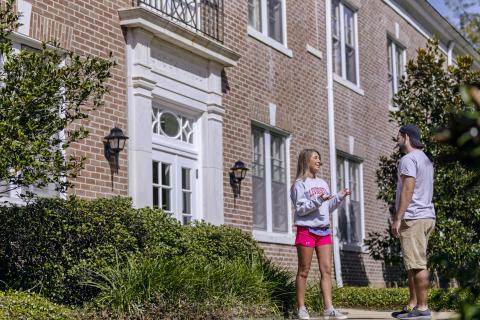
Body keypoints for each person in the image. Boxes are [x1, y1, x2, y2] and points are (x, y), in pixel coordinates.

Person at [290, 149, 351, 320]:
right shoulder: (299, 184)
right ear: (306, 160)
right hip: (307, 230)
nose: (319, 161)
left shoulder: (323, 183)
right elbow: (301, 210)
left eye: (319, 158)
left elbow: (327, 208)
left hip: (324, 230)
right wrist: (318, 200)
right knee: (304, 270)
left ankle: (329, 309)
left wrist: (339, 197)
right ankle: (301, 308)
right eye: (315, 158)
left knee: (326, 270)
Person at [391, 125, 436, 320]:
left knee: (417, 264)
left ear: (406, 137)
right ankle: (414, 305)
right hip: (426, 215)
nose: (397, 140)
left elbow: (408, 189)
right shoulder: (425, 159)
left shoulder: (408, 159)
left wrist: (398, 217)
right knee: (412, 263)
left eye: (398, 136)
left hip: (414, 217)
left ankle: (423, 308)